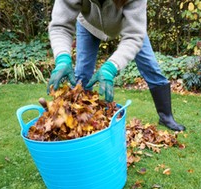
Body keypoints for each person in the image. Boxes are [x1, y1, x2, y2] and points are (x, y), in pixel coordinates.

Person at [47, 0, 185, 131]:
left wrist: (110, 68)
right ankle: (80, 121)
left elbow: (134, 36)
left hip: (128, 27)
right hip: (88, 25)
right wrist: (62, 58)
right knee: (82, 75)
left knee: (150, 67)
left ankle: (166, 117)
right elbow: (61, 25)